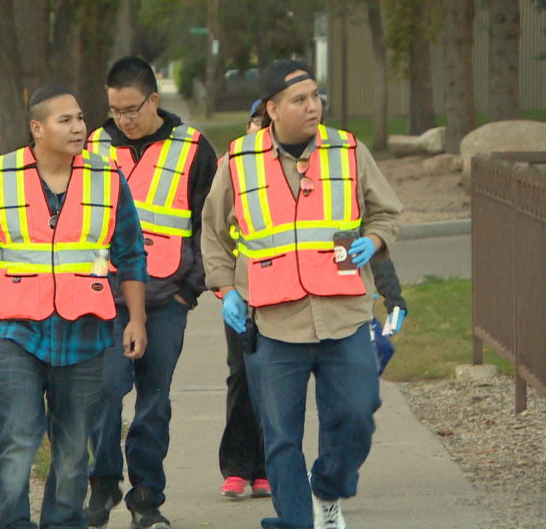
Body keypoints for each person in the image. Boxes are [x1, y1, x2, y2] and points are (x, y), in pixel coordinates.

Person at [201, 59, 403, 529]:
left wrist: (372, 240)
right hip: (272, 320)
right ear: (272, 108)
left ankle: (329, 488)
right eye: (299, 99)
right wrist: (227, 289)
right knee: (281, 437)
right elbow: (212, 234)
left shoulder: (349, 151)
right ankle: (296, 521)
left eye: (316, 96)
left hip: (344, 313)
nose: (313, 106)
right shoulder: (239, 160)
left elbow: (386, 212)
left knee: (356, 415)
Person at [0, 85, 148, 529]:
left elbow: (131, 254)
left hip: (86, 331)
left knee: (73, 441)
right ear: (37, 128)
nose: (78, 127)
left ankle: (63, 521)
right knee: (18, 435)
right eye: (65, 120)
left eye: (80, 118)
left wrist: (135, 318)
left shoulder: (107, 177)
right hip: (19, 331)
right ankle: (13, 522)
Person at [84, 56, 217, 529]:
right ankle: (102, 485)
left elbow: (210, 225)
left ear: (154, 100)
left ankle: (146, 496)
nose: (123, 119)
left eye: (131, 109)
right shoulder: (92, 147)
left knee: (153, 400)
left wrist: (190, 290)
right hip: (105, 298)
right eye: (115, 110)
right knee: (103, 393)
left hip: (167, 299)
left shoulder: (195, 149)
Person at [217, 99, 271, 500]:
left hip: (288, 294)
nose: (259, 130)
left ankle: (268, 468)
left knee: (275, 381)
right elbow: (212, 229)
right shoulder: (232, 165)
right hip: (241, 291)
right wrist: (225, 288)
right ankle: (236, 466)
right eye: (256, 122)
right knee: (241, 374)